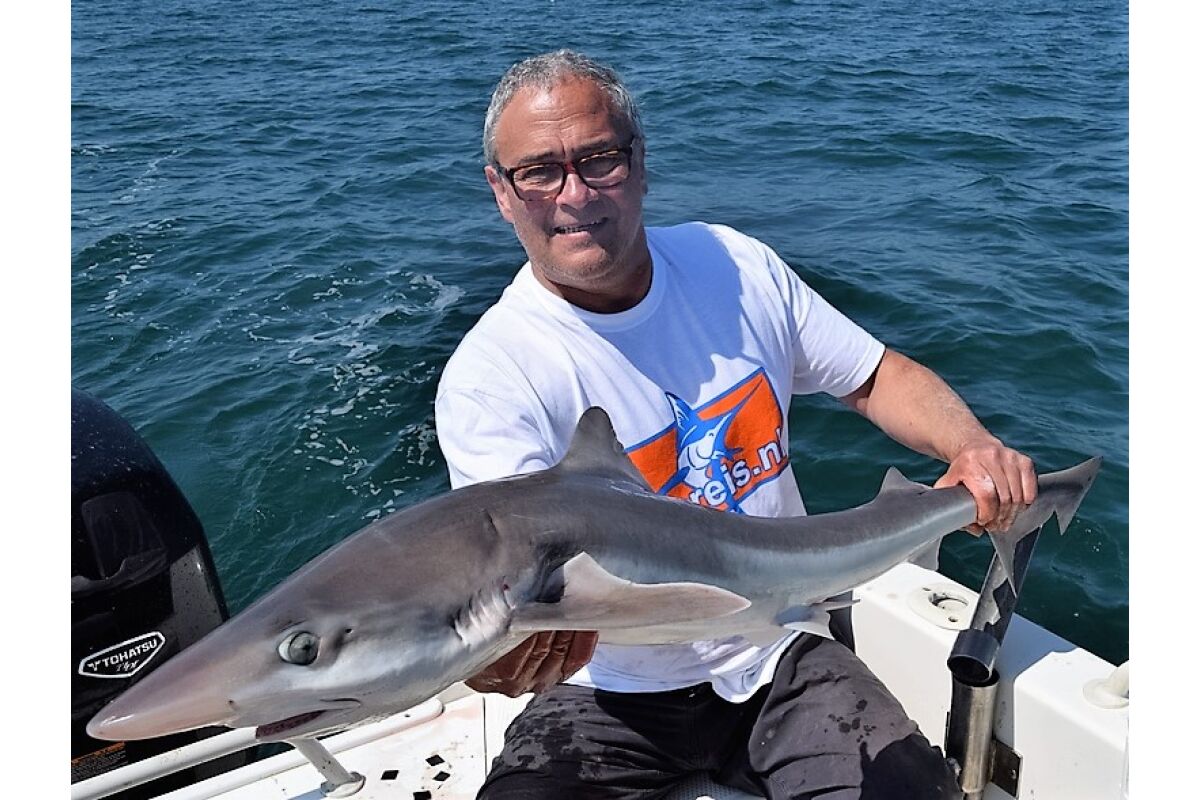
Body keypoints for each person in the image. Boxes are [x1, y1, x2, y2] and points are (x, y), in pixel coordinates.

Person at [434, 49, 1037, 800]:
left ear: (640, 162)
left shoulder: (734, 266)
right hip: (602, 691)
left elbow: (875, 376)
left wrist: (971, 445)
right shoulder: (492, 377)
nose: (575, 194)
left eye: (599, 159)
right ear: (501, 191)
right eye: (538, 171)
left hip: (781, 647)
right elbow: (500, 592)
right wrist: (492, 660)